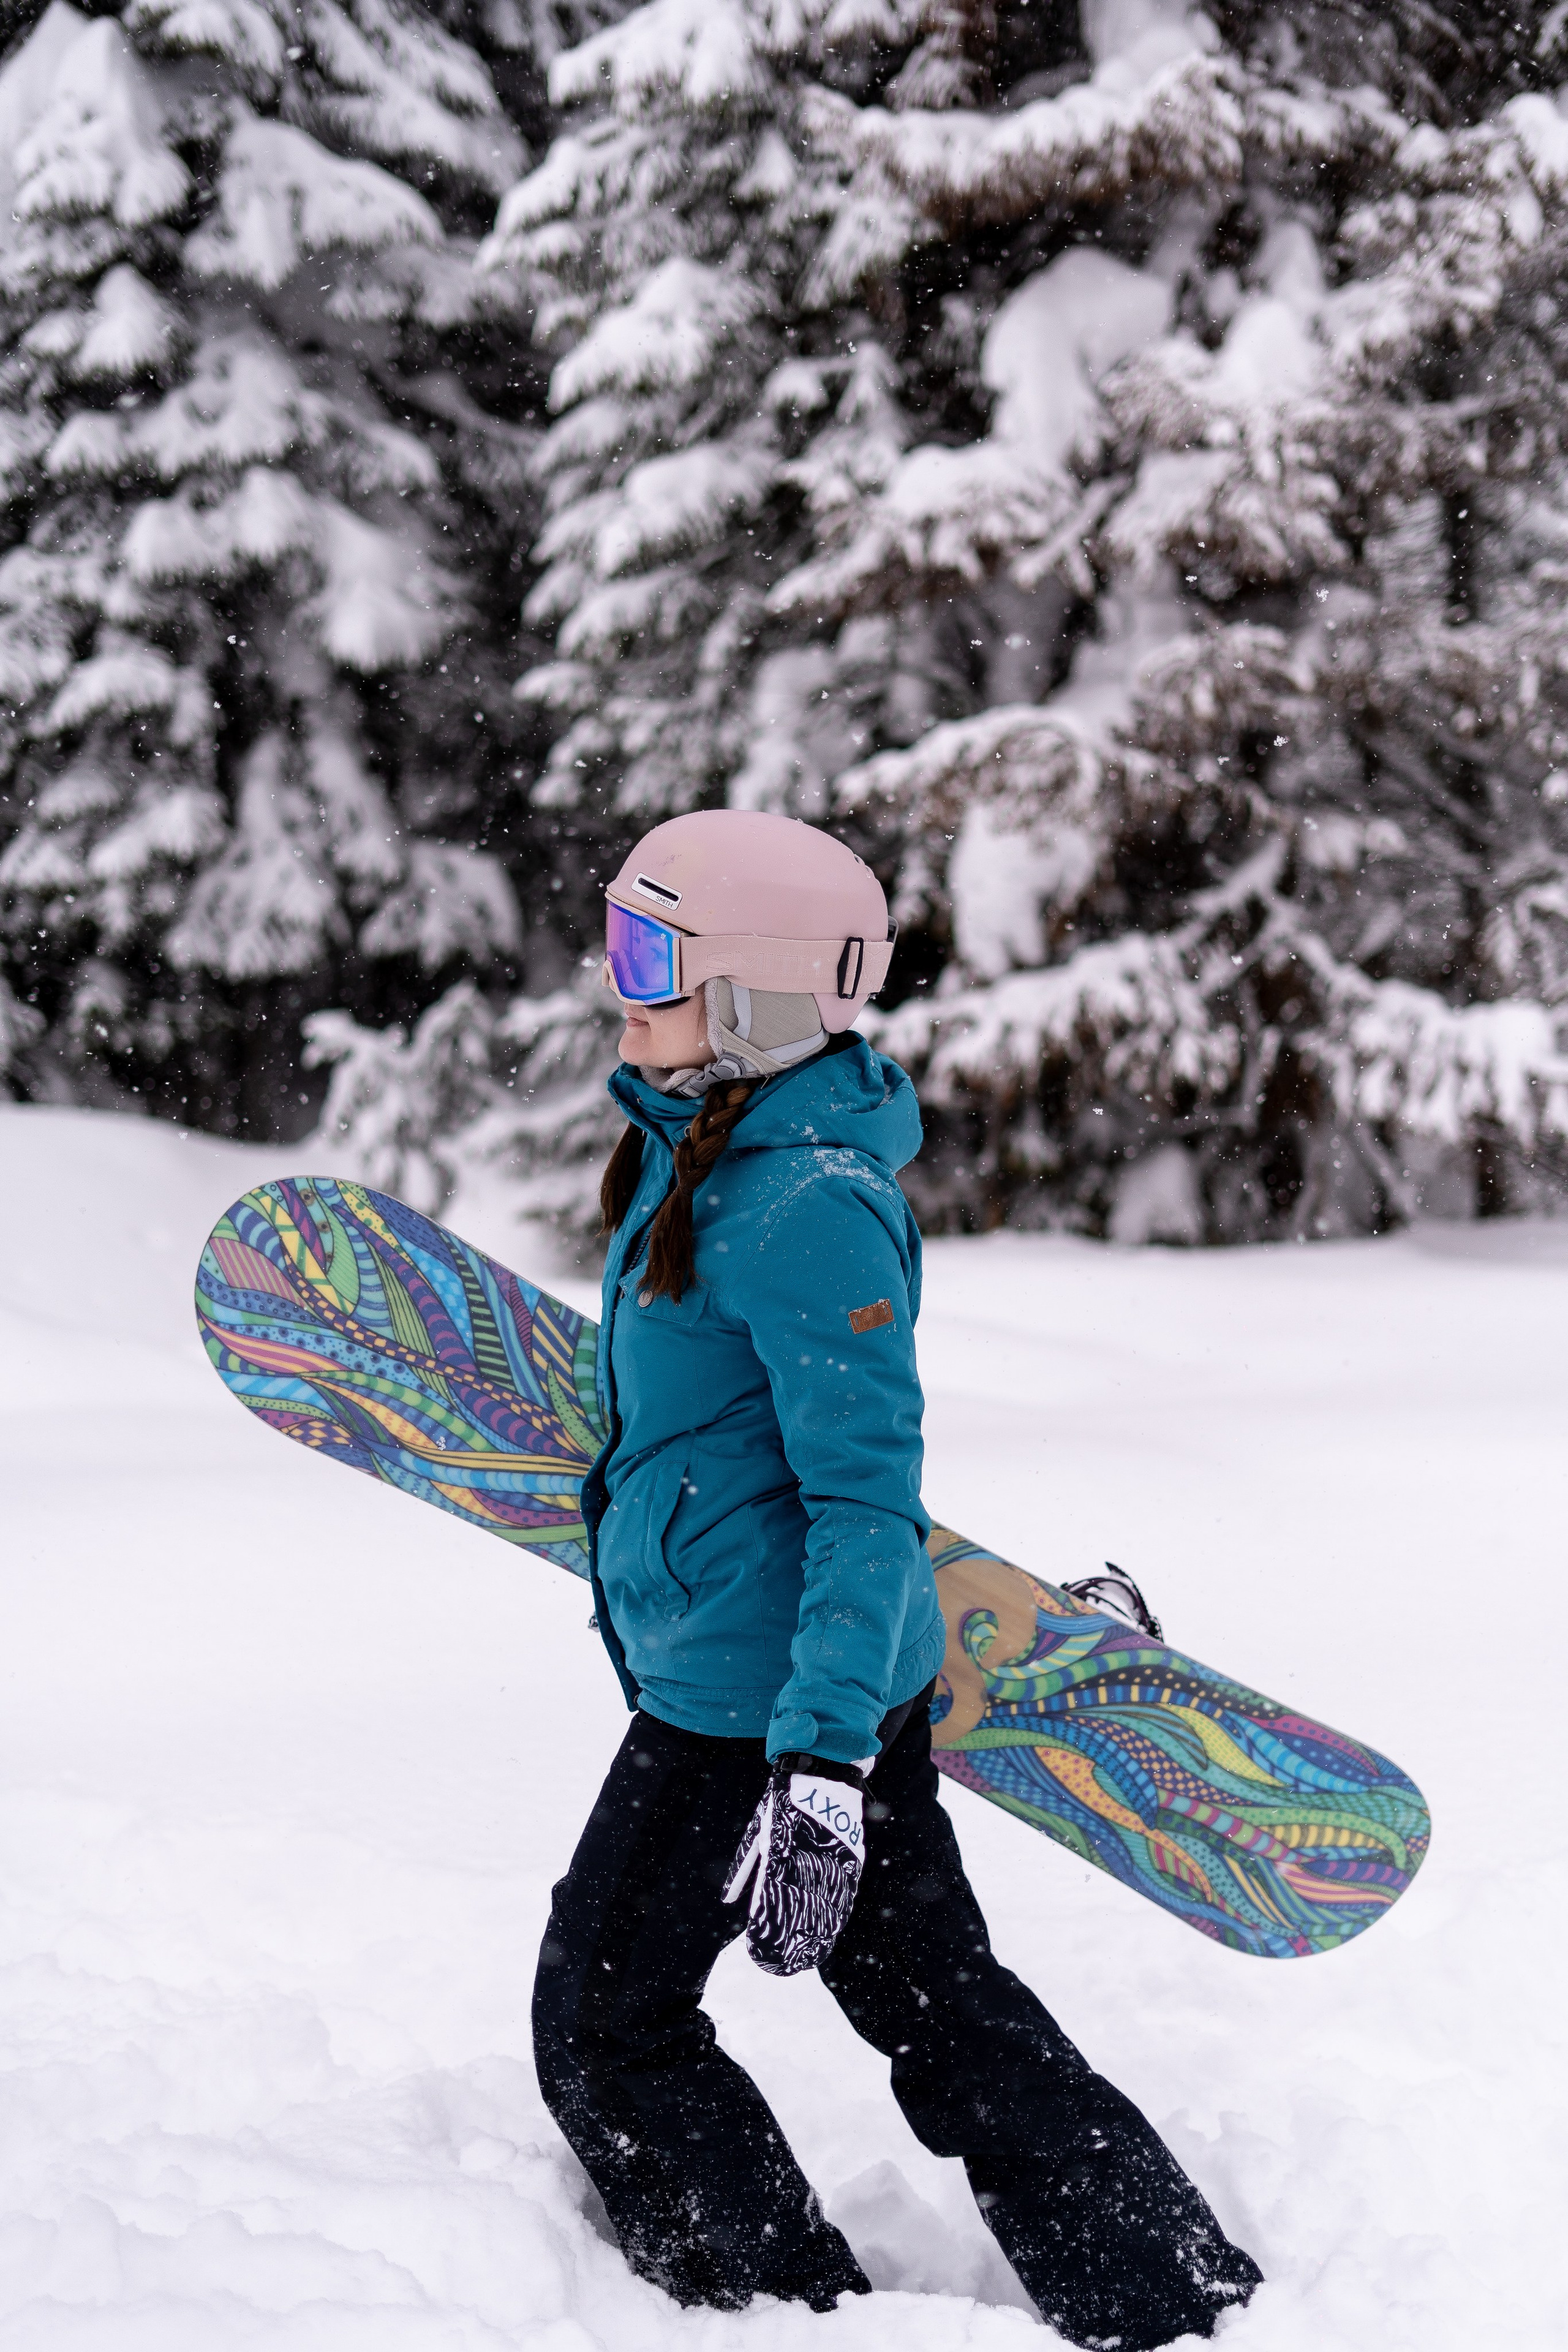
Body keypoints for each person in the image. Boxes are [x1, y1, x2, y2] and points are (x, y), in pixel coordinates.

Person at [532, 809, 1262, 2347]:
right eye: (618, 942)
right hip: (772, 1681)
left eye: (649, 955)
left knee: (607, 2027)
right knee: (941, 2013)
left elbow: (867, 1509)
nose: (620, 986)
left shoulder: (804, 1208)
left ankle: (778, 2308)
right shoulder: (702, 1155)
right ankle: (1166, 2293)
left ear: (758, 991)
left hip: (764, 1710)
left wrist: (815, 1768)